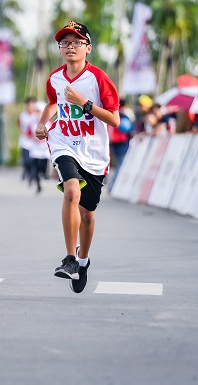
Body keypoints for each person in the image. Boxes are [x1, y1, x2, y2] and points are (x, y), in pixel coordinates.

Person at [35, 21, 120, 294]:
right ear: (59, 49)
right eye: (65, 42)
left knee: (88, 214)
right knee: (71, 191)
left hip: (93, 151)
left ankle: (83, 261)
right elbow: (52, 103)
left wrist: (84, 102)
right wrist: (41, 123)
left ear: (88, 48)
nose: (70, 46)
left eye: (77, 42)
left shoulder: (98, 78)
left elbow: (115, 119)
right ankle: (70, 258)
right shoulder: (55, 78)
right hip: (63, 143)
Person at [107, 99, 134, 189]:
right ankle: (114, 186)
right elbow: (129, 129)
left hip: (113, 144)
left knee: (114, 165)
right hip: (122, 144)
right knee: (120, 166)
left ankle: (111, 185)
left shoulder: (110, 114)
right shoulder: (124, 117)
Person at [18, 97, 37, 182]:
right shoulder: (22, 115)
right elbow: (20, 126)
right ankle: (26, 172)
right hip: (25, 140)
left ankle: (32, 175)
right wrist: (25, 133)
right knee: (26, 160)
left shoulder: (37, 115)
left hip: (34, 141)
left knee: (33, 160)